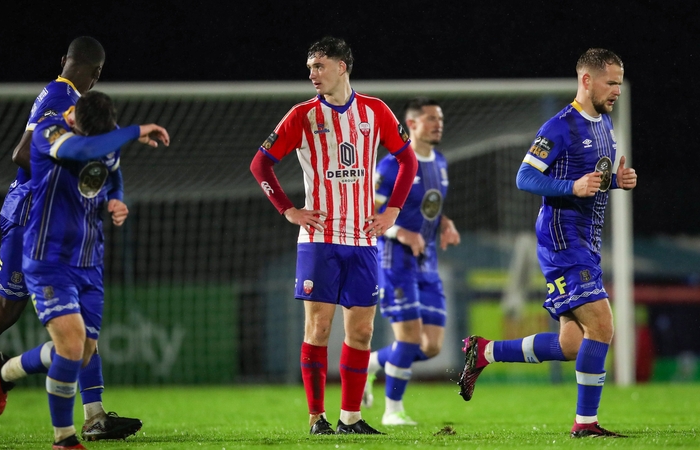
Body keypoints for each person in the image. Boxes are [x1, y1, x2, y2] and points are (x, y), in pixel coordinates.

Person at [0, 36, 141, 444]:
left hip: (51, 222)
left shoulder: (58, 93)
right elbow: (24, 152)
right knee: (5, 312)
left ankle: (92, 414)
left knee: (64, 315)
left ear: (64, 60)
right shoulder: (62, 97)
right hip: (31, 221)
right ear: (97, 75)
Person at [457, 48, 637, 438]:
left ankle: (484, 351)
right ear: (586, 80)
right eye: (611, 82)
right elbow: (525, 177)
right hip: (561, 239)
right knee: (603, 326)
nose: (616, 91)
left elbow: (592, 181)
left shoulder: (604, 126)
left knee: (572, 343)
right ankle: (585, 425)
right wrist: (569, 185)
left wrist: (615, 183)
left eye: (620, 84)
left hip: (586, 241)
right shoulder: (559, 126)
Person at [250, 36, 418, 435]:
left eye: (319, 66)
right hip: (319, 240)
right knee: (319, 329)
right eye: (309, 67)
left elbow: (407, 161)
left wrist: (391, 210)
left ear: (342, 67)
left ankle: (351, 418)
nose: (312, 74)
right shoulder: (303, 115)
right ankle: (316, 418)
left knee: (361, 332)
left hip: (362, 241)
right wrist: (289, 210)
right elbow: (260, 165)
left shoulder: (375, 111)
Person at [0, 90, 169, 449]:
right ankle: (64, 440)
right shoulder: (48, 132)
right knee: (71, 347)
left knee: (82, 353)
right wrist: (136, 130)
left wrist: (117, 198)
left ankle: (5, 371)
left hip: (89, 261)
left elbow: (112, 171)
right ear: (72, 118)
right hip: (48, 259)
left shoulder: (105, 136)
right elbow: (83, 151)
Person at [362, 98, 460, 426]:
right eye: (431, 118)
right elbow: (370, 213)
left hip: (427, 261)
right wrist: (402, 233)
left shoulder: (441, 162)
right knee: (408, 338)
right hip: (395, 260)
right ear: (412, 124)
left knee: (431, 346)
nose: (438, 124)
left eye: (440, 118)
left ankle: (370, 364)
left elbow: (429, 207)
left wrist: (445, 224)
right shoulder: (390, 166)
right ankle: (393, 411)